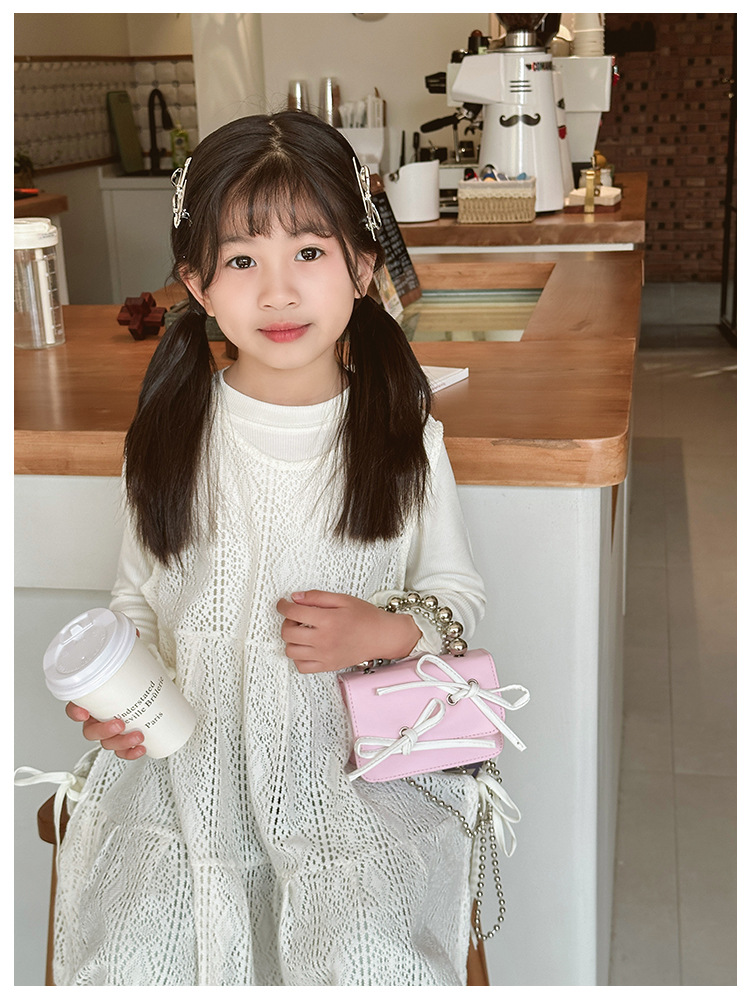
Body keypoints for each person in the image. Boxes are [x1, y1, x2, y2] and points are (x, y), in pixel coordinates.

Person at [56, 111, 486, 986]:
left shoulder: (402, 434)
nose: (279, 293)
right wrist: (116, 696)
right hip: (185, 779)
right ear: (197, 283)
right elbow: (136, 599)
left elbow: (457, 594)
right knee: (135, 962)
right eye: (243, 261)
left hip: (353, 781)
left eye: (310, 252)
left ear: (361, 267)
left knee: (370, 963)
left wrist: (385, 629)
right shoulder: (168, 434)